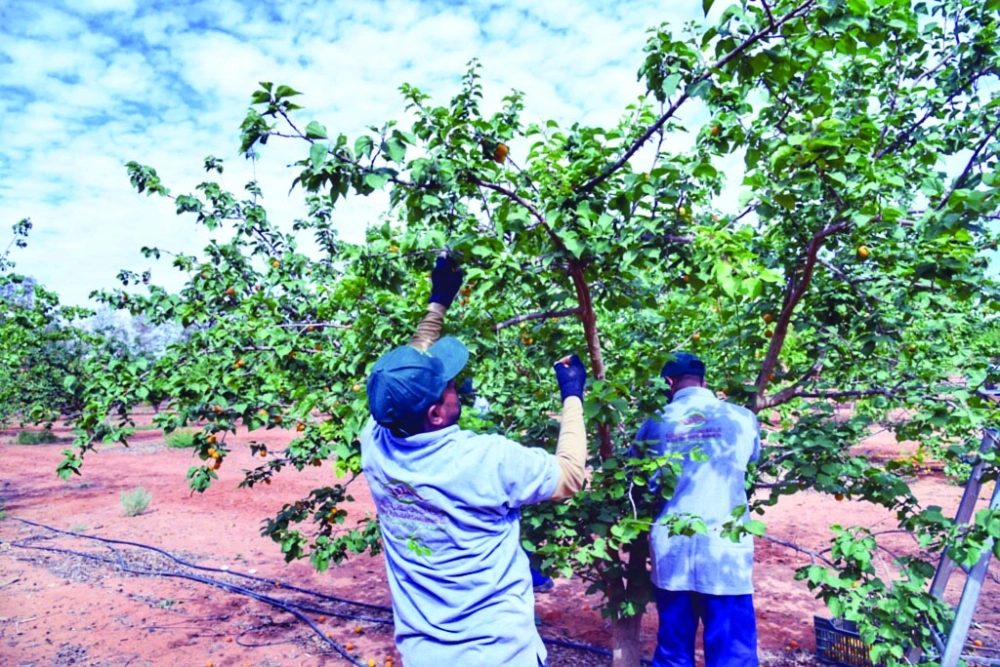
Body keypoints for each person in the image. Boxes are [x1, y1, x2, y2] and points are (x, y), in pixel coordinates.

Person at [361, 254, 589, 666]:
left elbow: (404, 375)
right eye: (449, 386)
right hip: (499, 653)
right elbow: (570, 475)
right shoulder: (486, 459)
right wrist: (572, 396)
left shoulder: (376, 439)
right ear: (436, 413)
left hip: (424, 653)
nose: (457, 388)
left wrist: (438, 302)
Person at [634, 352, 761, 667]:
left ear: (669, 382)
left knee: (673, 650)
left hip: (672, 549)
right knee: (733, 653)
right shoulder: (742, 417)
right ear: (705, 381)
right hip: (724, 550)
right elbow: (752, 462)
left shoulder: (656, 422)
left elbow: (639, 482)